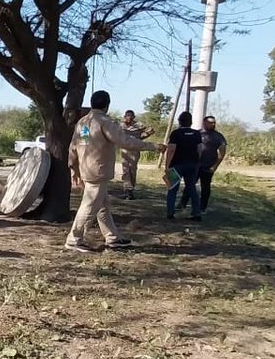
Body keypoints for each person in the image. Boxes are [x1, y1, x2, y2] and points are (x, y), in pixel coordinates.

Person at [66, 91, 165, 252]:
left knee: (102, 206)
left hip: (87, 170)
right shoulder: (105, 121)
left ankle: (113, 238)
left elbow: (74, 147)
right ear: (107, 105)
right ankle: (74, 239)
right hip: (98, 171)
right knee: (89, 207)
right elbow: (124, 141)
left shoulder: (83, 122)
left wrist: (73, 168)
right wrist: (153, 146)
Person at [178, 115, 227, 215]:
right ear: (204, 123)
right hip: (195, 165)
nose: (213, 124)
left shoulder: (219, 136)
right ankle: (182, 204)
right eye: (210, 122)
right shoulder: (197, 133)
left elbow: (222, 153)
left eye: (214, 122)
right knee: (189, 185)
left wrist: (215, 166)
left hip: (208, 166)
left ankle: (202, 207)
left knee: (205, 188)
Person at [164, 111, 204, 221]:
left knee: (172, 189)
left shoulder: (175, 133)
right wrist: (196, 162)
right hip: (192, 165)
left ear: (179, 121)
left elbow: (171, 150)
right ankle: (197, 213)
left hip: (176, 165)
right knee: (192, 189)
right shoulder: (197, 134)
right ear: (191, 122)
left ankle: (170, 213)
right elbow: (200, 149)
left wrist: (167, 165)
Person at [120, 110, 152, 200]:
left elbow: (150, 130)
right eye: (127, 116)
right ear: (124, 116)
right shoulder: (121, 125)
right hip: (124, 149)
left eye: (131, 116)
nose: (129, 117)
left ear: (134, 117)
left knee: (132, 170)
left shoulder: (138, 125)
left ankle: (131, 190)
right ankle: (127, 190)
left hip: (134, 150)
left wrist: (140, 138)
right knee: (125, 170)